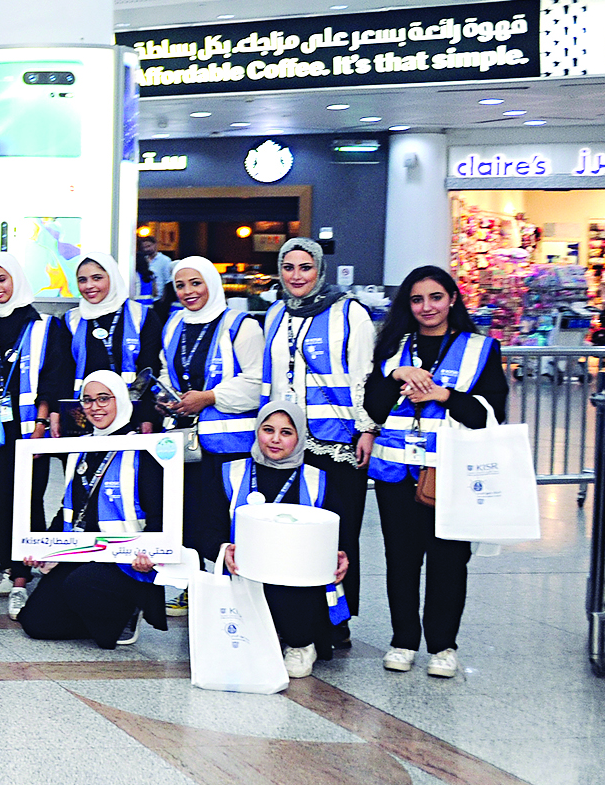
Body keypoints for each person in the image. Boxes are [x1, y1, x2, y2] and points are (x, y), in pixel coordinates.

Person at [364, 264, 507, 678]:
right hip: (396, 475)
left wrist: (444, 394)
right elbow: (373, 407)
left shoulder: (480, 348)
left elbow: (490, 414)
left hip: (450, 474)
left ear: (453, 299)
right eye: (417, 299)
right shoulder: (392, 347)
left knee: (448, 562)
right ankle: (403, 640)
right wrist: (394, 375)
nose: (427, 307)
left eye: (435, 297)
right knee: (401, 561)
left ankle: (443, 646)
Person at [259, 236, 377, 646]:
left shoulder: (350, 313)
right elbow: (269, 380)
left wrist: (366, 428)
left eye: (304, 267)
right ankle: (297, 614)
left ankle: (336, 620)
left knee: (338, 535)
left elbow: (365, 374)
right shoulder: (275, 314)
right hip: (289, 447)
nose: (296, 276)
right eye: (288, 268)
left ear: (319, 270)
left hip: (338, 444)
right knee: (293, 533)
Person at [16, 372, 179, 649]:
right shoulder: (81, 447)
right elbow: (67, 509)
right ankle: (100, 617)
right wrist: (43, 548)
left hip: (128, 563)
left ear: (121, 399)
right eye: (88, 400)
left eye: (104, 398)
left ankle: (122, 616)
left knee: (80, 585)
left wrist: (152, 552)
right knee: (35, 622)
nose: (95, 407)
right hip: (83, 554)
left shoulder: (142, 448)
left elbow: (160, 513)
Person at [147, 256, 263, 578]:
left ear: (212, 283)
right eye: (180, 285)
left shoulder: (242, 325)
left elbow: (257, 382)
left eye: (195, 283)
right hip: (185, 444)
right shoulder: (173, 325)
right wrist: (165, 396)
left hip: (229, 446)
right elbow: (168, 372)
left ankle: (231, 587)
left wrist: (209, 398)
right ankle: (191, 587)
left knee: (222, 518)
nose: (188, 292)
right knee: (188, 516)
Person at [215, 401, 345, 679]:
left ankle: (301, 643)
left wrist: (341, 555)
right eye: (268, 430)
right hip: (242, 572)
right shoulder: (230, 472)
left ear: (300, 437)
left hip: (296, 578)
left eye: (286, 432)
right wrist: (223, 549)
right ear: (256, 431)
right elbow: (204, 526)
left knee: (294, 580)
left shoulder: (317, 479)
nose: (275, 439)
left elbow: (337, 534)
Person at [0, 251, 48, 616]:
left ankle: (22, 578)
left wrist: (43, 423)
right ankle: (4, 567)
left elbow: (52, 375)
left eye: (3, 279)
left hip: (29, 429)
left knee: (26, 501)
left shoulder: (43, 325)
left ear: (16, 279)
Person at [39, 251, 144, 429]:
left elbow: (148, 369)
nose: (89, 286)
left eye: (97, 278)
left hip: (131, 414)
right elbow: (63, 372)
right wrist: (56, 413)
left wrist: (146, 418)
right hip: (81, 415)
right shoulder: (71, 319)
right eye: (82, 280)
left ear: (112, 277)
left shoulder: (140, 315)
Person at [136, 234, 175, 300]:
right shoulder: (142, 260)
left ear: (155, 244)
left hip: (159, 298)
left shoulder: (165, 260)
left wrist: (164, 299)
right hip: (147, 297)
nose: (146, 249)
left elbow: (168, 281)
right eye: (144, 247)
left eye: (149, 246)